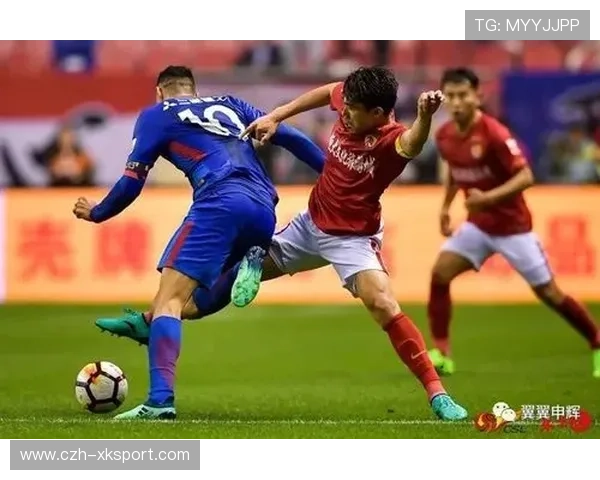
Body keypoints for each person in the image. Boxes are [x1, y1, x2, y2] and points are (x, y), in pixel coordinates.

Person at [98, 66, 468, 421]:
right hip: (308, 226)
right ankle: (156, 319)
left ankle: (438, 394)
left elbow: (413, 143)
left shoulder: (392, 140)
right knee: (201, 294)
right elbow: (328, 91)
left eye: (352, 110)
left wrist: (424, 117)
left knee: (383, 304)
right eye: (345, 105)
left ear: (377, 114)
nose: (343, 114)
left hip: (352, 239)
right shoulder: (350, 100)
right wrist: (277, 115)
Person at [74, 65, 326, 420]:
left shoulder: (156, 115)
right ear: (193, 89)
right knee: (191, 303)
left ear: (159, 92)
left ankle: (160, 402)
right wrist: (330, 172)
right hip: (264, 209)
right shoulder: (232, 104)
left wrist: (98, 212)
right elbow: (291, 137)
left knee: (170, 299)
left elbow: (132, 181)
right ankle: (245, 260)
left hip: (220, 202)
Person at [427, 67, 600, 378]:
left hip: (513, 229)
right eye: (450, 96)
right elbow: (455, 169)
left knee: (550, 294)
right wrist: (445, 206)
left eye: (463, 95)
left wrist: (487, 198)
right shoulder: (445, 134)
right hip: (478, 226)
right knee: (440, 273)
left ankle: (597, 341)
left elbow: (526, 177)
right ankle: (441, 353)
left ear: (477, 95)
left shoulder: (495, 134)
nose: (457, 102)